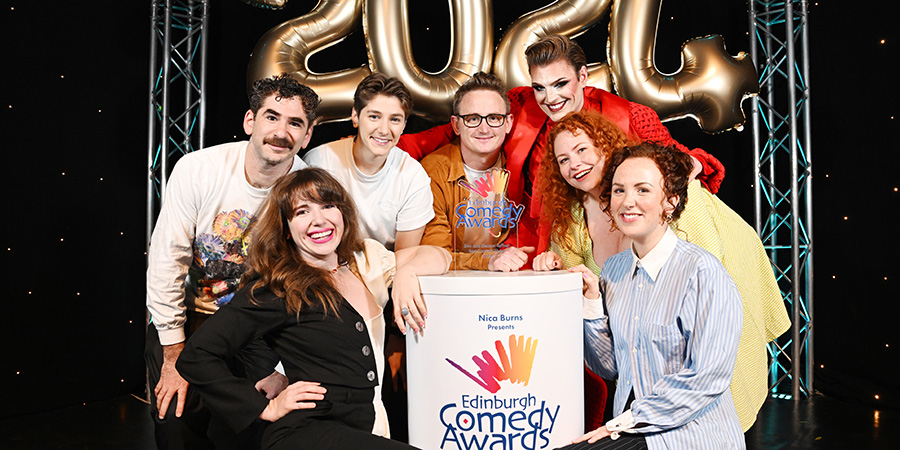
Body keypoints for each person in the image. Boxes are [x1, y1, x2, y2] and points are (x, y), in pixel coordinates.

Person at [534, 111, 789, 432]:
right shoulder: (579, 226)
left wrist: (623, 425)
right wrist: (563, 278)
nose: (574, 163)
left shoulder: (695, 251)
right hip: (644, 377)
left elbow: (708, 353)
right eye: (563, 159)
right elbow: (607, 356)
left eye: (582, 150)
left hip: (696, 353)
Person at [176, 168, 451, 449]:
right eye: (302, 212)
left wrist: (406, 275)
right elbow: (197, 355)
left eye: (328, 205)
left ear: (343, 212)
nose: (319, 220)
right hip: (306, 433)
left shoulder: (365, 264)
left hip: (365, 427)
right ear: (285, 228)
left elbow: (439, 254)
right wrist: (263, 408)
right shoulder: (278, 288)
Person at [398, 34, 725, 255]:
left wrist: (690, 164)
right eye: (540, 86)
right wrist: (382, 153)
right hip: (525, 245)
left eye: (560, 84)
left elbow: (678, 157)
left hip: (594, 244)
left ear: (583, 76)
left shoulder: (627, 116)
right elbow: (449, 133)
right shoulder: (520, 103)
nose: (550, 98)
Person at [145, 73, 319, 449]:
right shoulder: (198, 169)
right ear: (250, 121)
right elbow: (167, 261)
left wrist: (285, 368)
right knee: (175, 423)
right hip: (193, 315)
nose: (280, 131)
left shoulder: (310, 189)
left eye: (295, 123)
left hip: (261, 325)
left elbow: (313, 277)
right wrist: (173, 354)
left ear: (307, 136)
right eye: (271, 117)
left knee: (262, 430)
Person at [561, 143, 744, 449]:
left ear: (670, 202)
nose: (627, 202)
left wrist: (625, 422)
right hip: (631, 428)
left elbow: (707, 376)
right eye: (618, 191)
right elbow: (609, 367)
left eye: (642, 190)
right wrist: (592, 303)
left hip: (690, 435)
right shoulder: (615, 270)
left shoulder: (703, 272)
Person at [304, 72, 434, 252]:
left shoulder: (413, 177)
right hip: (326, 268)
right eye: (374, 117)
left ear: (404, 125)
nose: (384, 130)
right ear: (355, 117)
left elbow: (405, 257)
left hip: (387, 273)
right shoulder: (319, 162)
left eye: (394, 119)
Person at [420, 72, 533, 271]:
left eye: (494, 118)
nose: (484, 128)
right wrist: (486, 261)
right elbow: (434, 256)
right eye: (473, 119)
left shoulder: (523, 168)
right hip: (452, 287)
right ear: (456, 125)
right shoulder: (432, 172)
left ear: (508, 123)